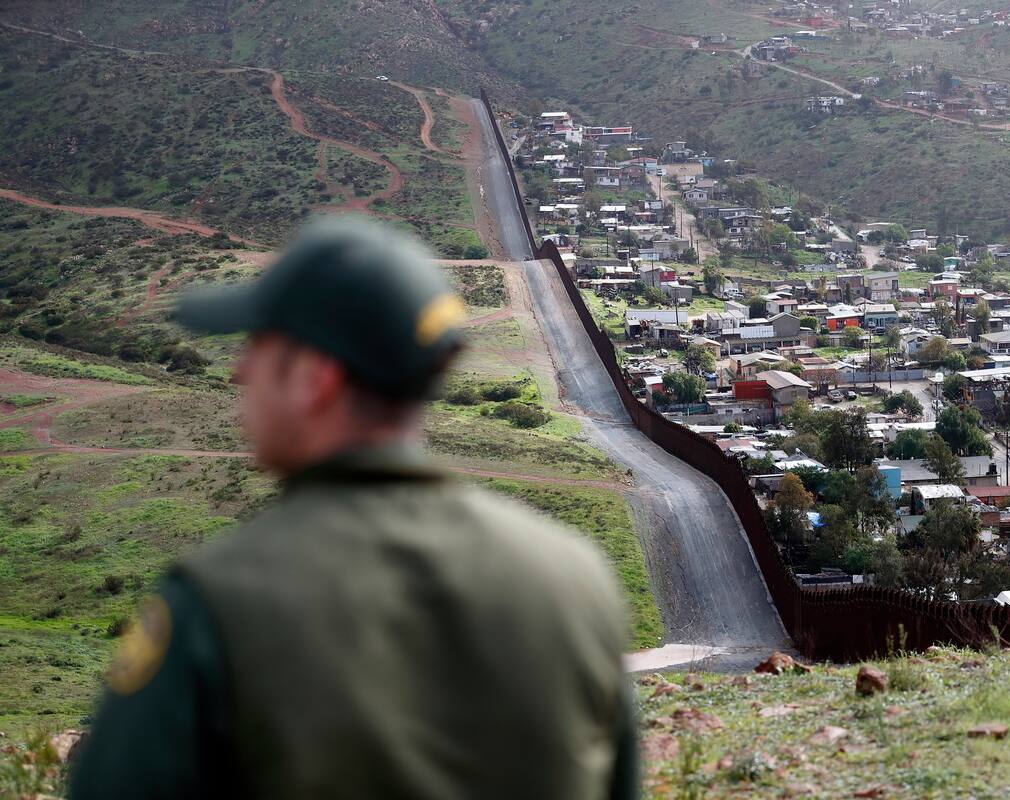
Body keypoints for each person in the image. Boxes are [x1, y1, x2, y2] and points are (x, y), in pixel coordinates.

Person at [70, 217, 638, 799]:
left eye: (258, 346)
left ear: (316, 378)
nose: (241, 371)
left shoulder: (215, 603)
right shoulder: (576, 578)